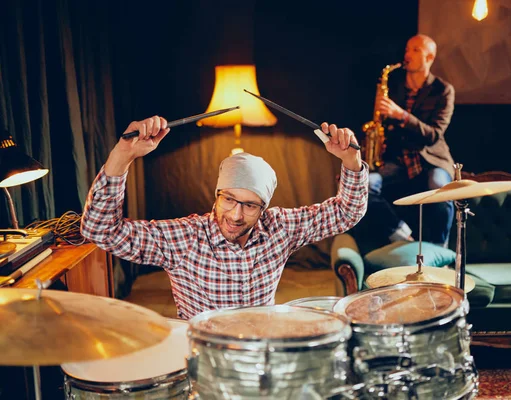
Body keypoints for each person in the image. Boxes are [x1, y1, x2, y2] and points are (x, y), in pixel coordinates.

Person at [80, 116, 368, 320]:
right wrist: (123, 155)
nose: (236, 215)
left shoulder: (280, 227)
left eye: (251, 206)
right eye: (228, 199)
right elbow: (100, 230)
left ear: (264, 208)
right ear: (216, 195)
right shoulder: (184, 237)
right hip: (203, 358)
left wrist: (350, 161)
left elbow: (347, 212)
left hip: (259, 352)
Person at [352, 33, 456, 253]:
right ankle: (401, 235)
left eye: (415, 50)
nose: (407, 54)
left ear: (430, 57)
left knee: (441, 186)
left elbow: (434, 134)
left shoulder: (443, 90)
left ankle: (441, 249)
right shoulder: (393, 85)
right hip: (398, 161)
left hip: (430, 159)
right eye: (407, 49)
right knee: (364, 186)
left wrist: (401, 115)